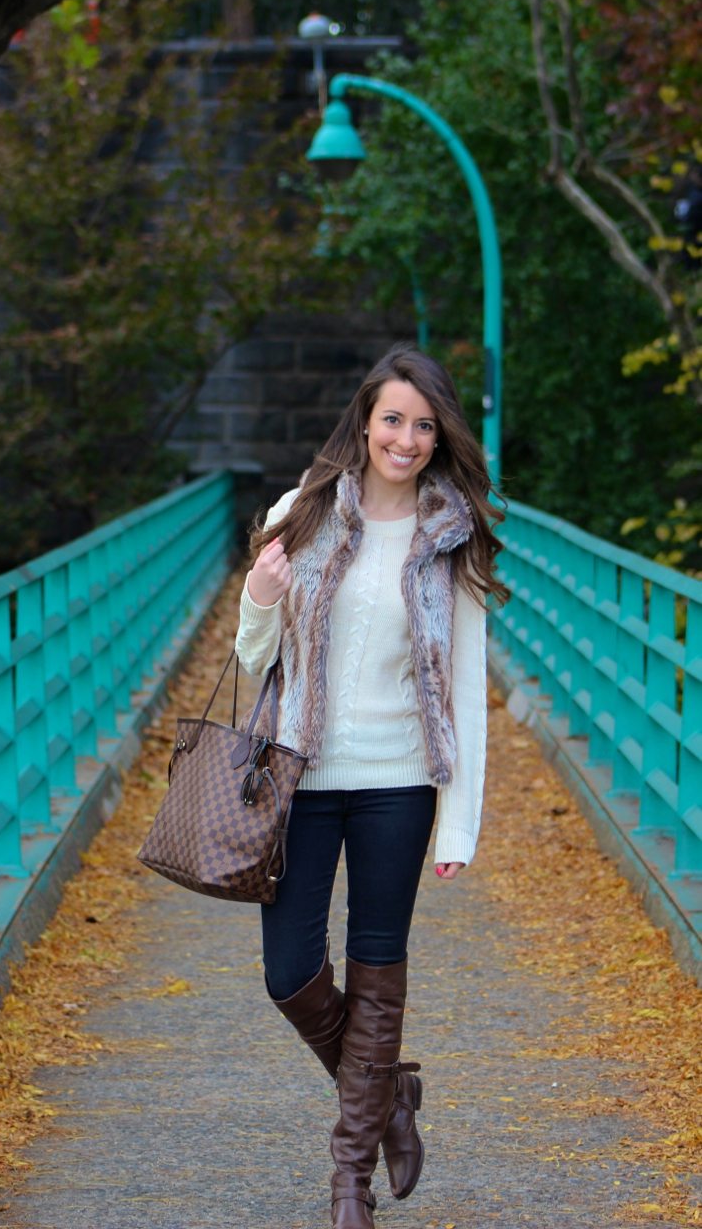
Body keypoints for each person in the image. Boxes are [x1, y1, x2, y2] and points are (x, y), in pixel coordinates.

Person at [234, 343, 507, 1228]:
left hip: (399, 783)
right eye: (393, 419)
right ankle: (388, 1095)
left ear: (440, 437)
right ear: (363, 421)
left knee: (378, 966)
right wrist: (260, 595)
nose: (407, 438)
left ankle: (348, 1180)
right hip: (301, 773)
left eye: (425, 426)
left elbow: (464, 683)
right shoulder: (300, 512)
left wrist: (457, 826)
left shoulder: (449, 531)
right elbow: (252, 661)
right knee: (288, 973)